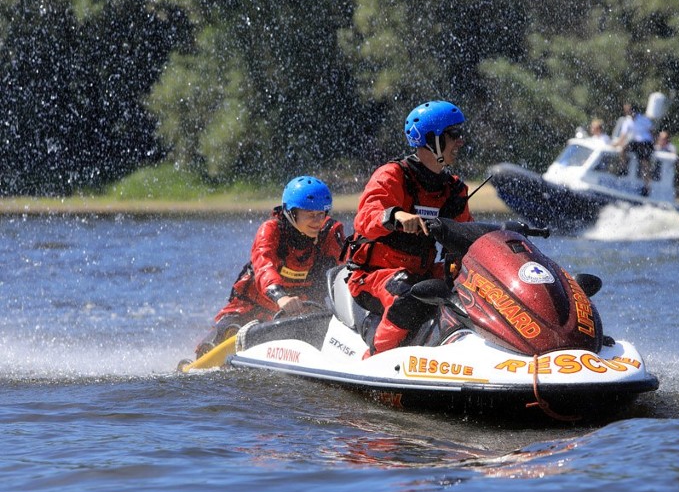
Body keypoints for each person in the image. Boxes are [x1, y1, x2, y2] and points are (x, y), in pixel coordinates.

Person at [346, 100, 473, 357]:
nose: (460, 142)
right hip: (372, 276)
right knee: (408, 295)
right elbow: (365, 218)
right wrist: (397, 215)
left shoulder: (455, 189)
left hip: (423, 272)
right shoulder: (392, 176)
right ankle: (375, 360)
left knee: (475, 289)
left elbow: (467, 235)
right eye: (454, 135)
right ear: (432, 139)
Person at [194, 176, 345, 357]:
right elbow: (264, 266)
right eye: (310, 215)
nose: (317, 221)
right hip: (251, 308)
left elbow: (349, 267)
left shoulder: (330, 232)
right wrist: (281, 297)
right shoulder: (271, 230)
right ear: (291, 212)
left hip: (303, 310)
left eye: (322, 214)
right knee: (222, 335)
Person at [614, 102, 656, 196]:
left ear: (633, 110)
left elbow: (652, 131)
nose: (626, 112)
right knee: (623, 149)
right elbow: (623, 136)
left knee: (645, 164)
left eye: (628, 110)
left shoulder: (644, 119)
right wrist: (615, 144)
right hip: (635, 143)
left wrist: (654, 144)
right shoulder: (627, 121)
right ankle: (623, 167)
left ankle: (647, 187)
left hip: (645, 143)